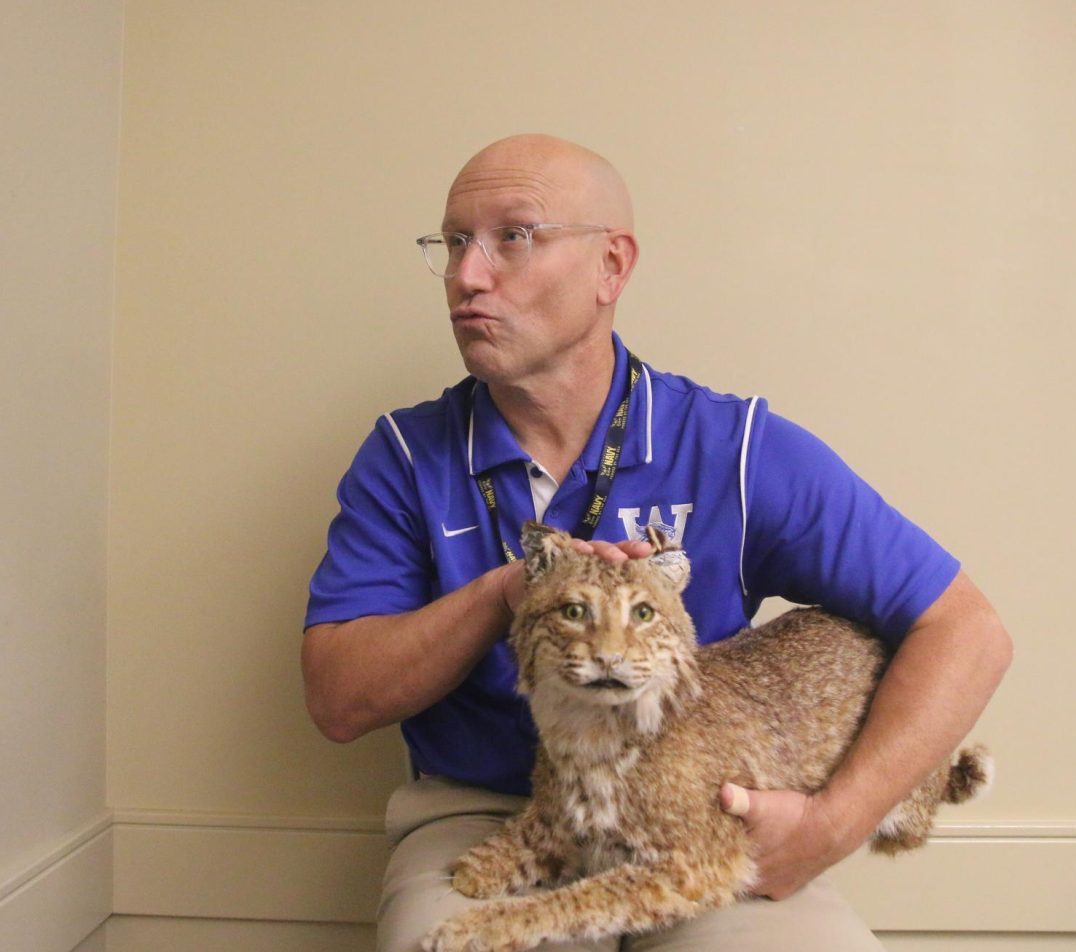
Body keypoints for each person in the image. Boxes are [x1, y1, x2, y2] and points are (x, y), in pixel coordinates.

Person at [302, 133, 1012, 952]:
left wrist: (831, 825)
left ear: (612, 266)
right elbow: (338, 701)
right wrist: (504, 594)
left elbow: (969, 632)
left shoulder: (737, 447)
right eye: (455, 242)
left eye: (513, 237)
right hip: (485, 809)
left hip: (699, 809)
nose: (467, 274)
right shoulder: (403, 455)